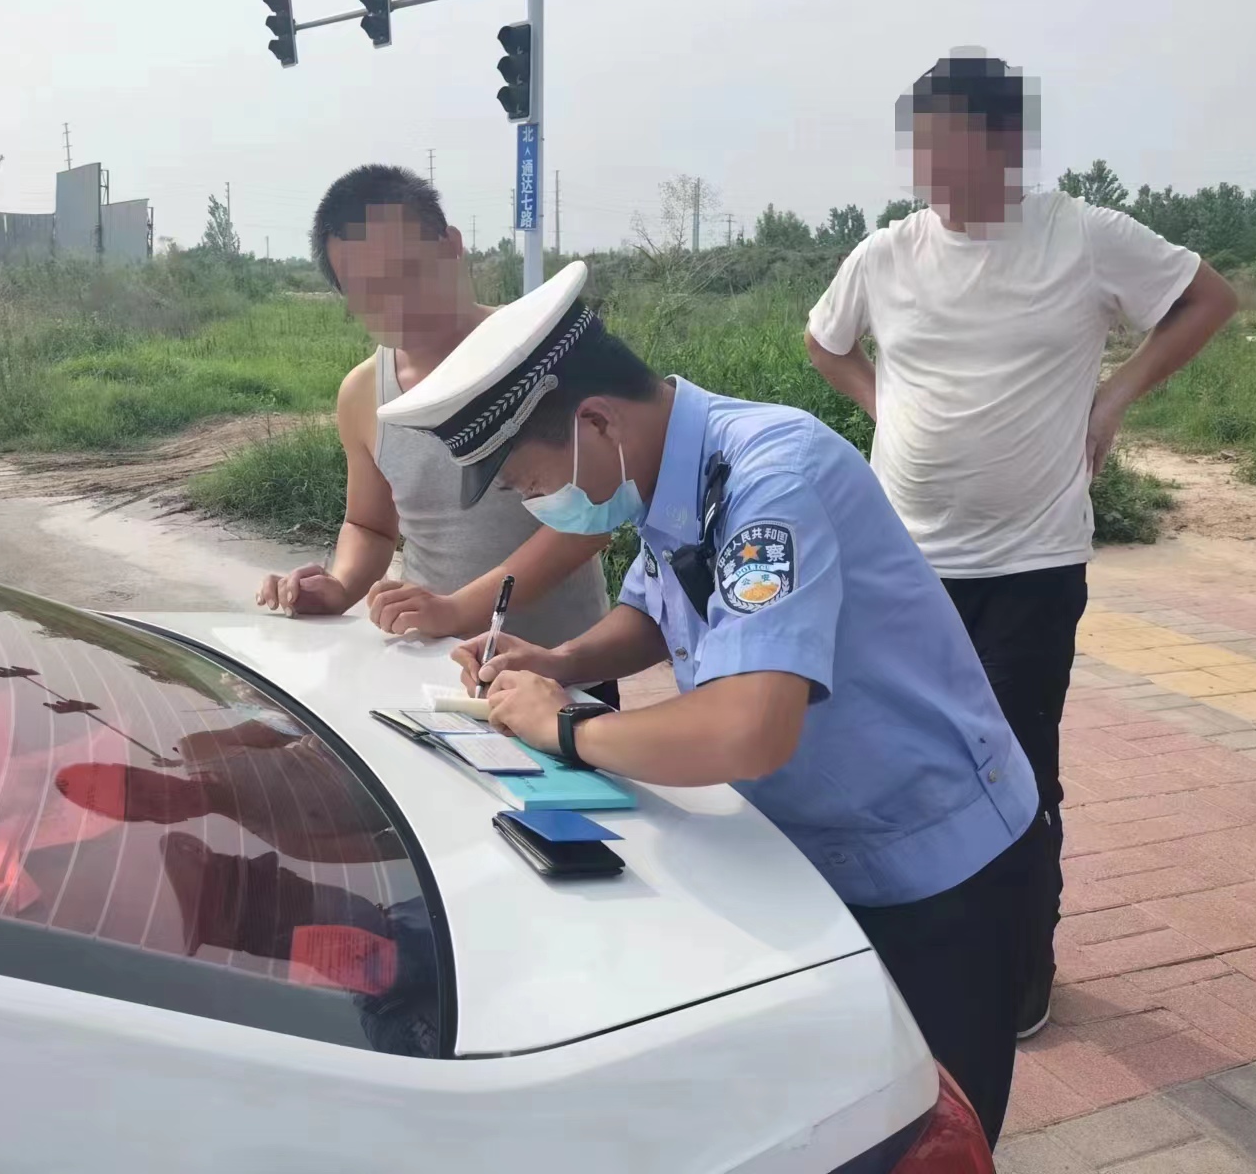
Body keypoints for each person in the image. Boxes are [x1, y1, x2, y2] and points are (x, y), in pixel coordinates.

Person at [378, 260, 1039, 1147]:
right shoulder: (671, 471)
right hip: (820, 847)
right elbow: (661, 608)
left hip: (935, 860)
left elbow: (748, 729)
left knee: (926, 1131)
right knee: (841, 1116)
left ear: (596, 423)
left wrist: (567, 725)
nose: (538, 506)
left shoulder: (770, 477)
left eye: (529, 484)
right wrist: (560, 659)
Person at [805, 52, 1239, 1039]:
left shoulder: (1081, 237)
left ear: (1004, 144)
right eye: (919, 151)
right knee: (898, 761)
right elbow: (825, 341)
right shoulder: (886, 254)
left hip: (1030, 563)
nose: (927, 173)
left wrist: (1113, 398)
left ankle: (1017, 969)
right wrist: (882, 405)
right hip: (905, 565)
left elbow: (1207, 300)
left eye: (945, 150)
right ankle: (916, 948)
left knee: (1012, 770)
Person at [254, 165, 616, 700]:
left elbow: (591, 520)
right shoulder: (364, 395)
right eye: (366, 290)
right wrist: (340, 585)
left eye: (406, 271)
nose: (394, 303)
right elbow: (369, 525)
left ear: (450, 246)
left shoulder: (547, 350)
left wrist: (456, 610)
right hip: (431, 676)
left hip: (563, 676)